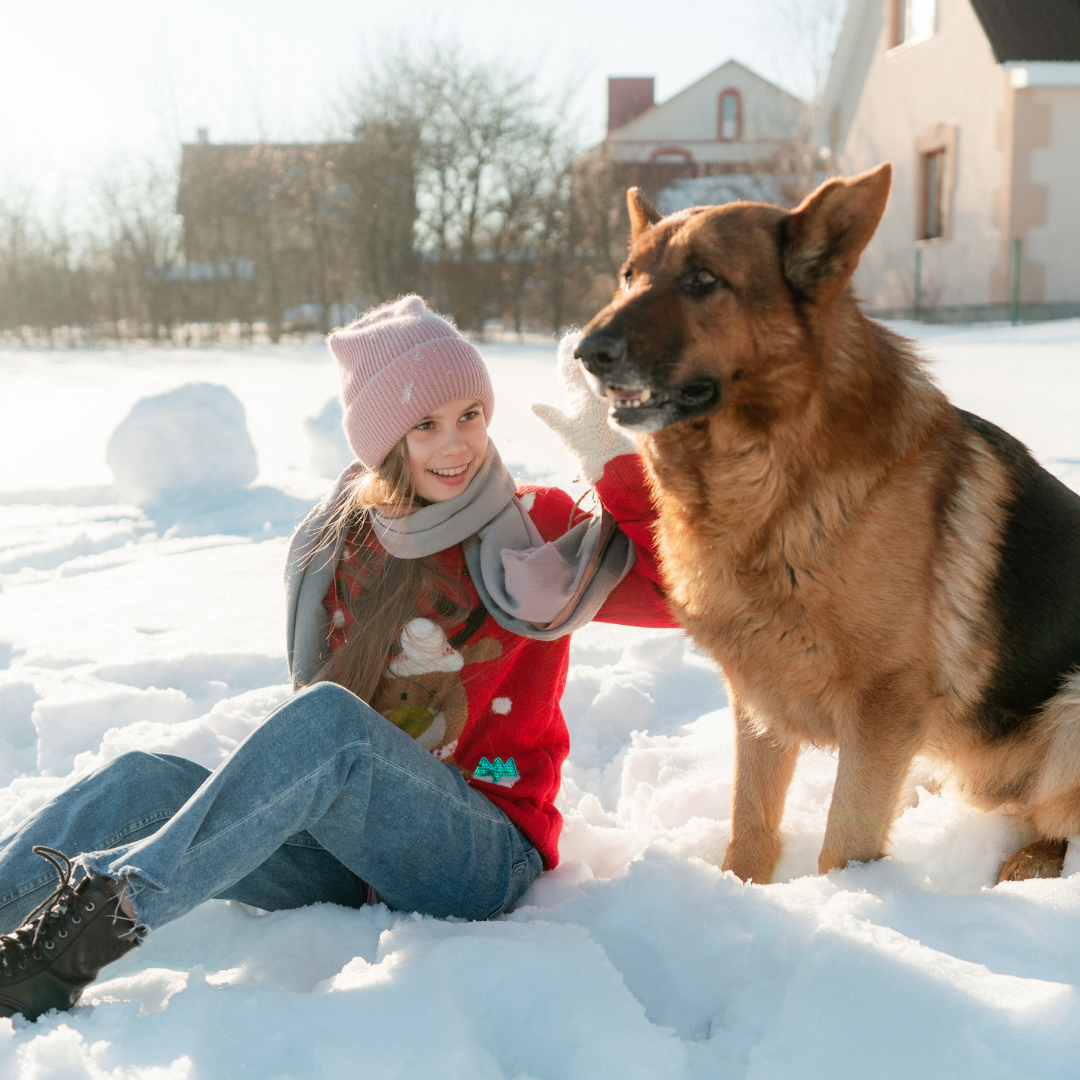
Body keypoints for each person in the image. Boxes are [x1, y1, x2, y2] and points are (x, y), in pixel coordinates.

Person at [0, 296, 677, 1022]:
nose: (456, 446)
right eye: (425, 425)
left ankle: (94, 927)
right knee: (143, 781)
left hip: (481, 854)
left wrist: (617, 467)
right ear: (383, 440)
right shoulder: (342, 541)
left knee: (331, 725)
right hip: (349, 852)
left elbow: (680, 590)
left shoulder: (536, 529)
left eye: (470, 416)